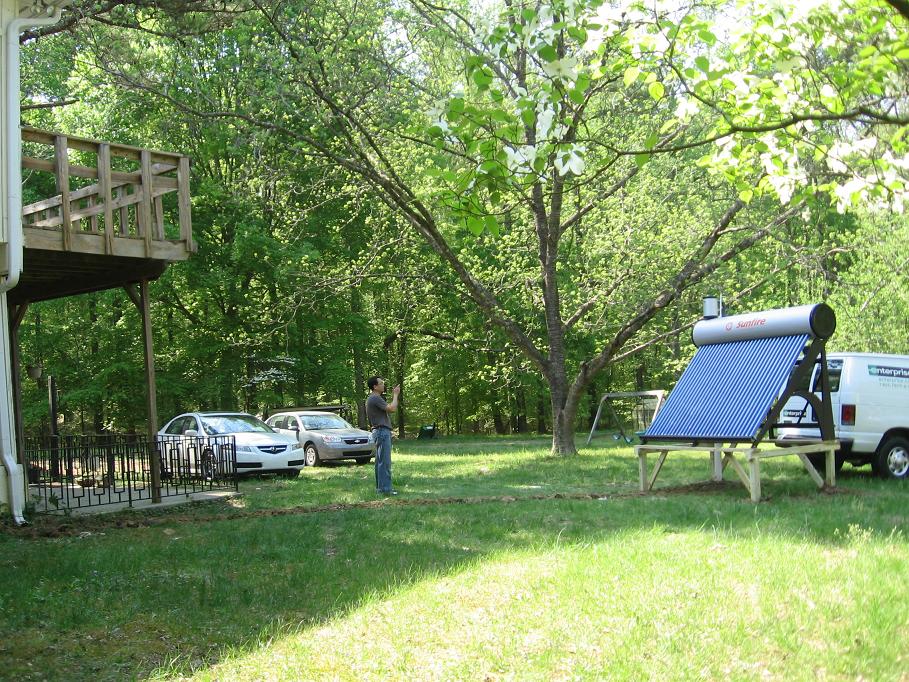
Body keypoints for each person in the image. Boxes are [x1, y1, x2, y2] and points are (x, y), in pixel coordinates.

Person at [366, 376, 400, 495]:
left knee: (380, 461)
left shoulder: (374, 398)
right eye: (381, 383)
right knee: (384, 462)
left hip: (379, 432)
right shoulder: (375, 398)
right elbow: (392, 408)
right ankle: (385, 489)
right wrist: (395, 395)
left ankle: (381, 488)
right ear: (375, 386)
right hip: (381, 431)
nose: (383, 385)